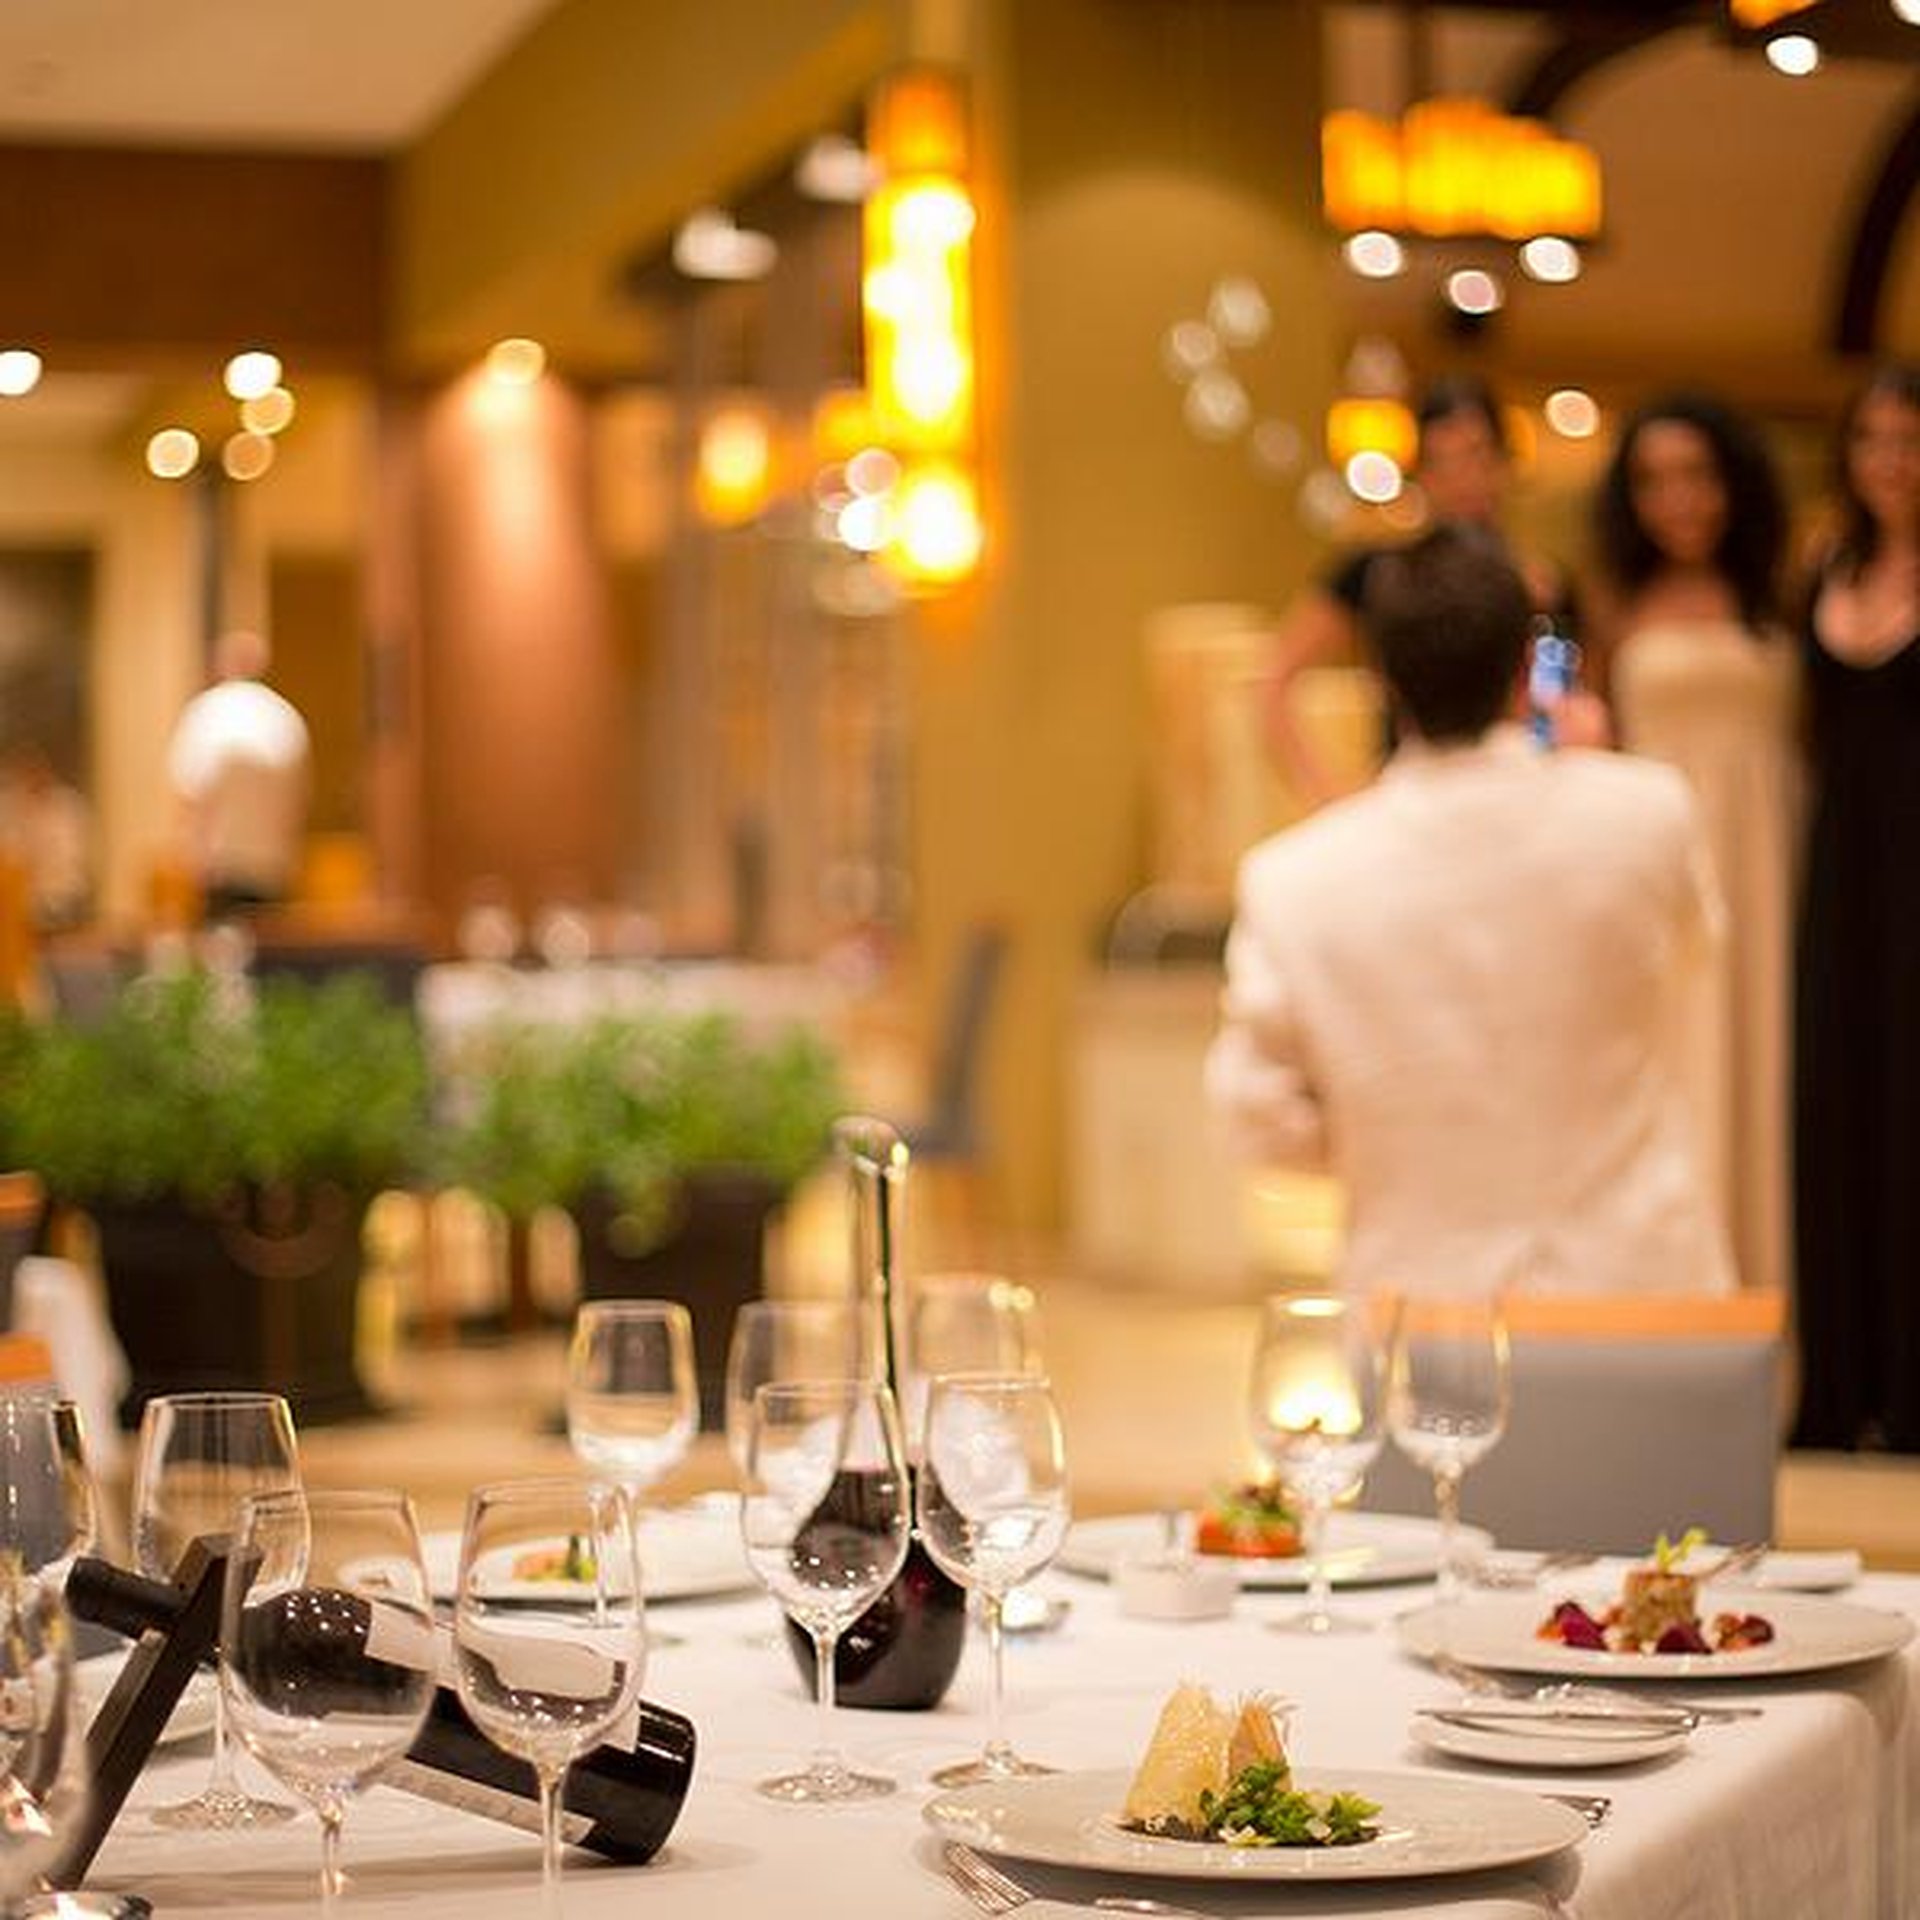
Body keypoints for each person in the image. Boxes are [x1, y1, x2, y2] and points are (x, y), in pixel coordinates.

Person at [1206, 523, 1731, 1300]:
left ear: (1380, 680)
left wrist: (1389, 1139)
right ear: (1526, 666)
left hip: (1419, 1314)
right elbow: (1692, 961)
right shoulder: (1649, 810)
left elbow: (1257, 1117)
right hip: (1646, 1292)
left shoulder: (1293, 878)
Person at [1589, 393, 1796, 1300]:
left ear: (1734, 482)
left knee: (1767, 1074)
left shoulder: (1785, 596)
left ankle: (1775, 1310)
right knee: (1677, 1074)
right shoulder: (1612, 610)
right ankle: (1677, 1316)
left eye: (1696, 475)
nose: (1676, 499)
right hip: (1658, 870)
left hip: (1772, 863)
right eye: (1653, 481)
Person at [1792, 361, 1920, 1451]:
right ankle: (1842, 1384)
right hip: (1839, 867)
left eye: (1911, 439)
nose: (1892, 461)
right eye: (1873, 438)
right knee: (1840, 1102)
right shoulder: (1824, 571)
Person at [1263, 374, 1580, 804]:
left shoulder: (1543, 584)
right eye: (1441, 462)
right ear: (1422, 472)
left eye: (1475, 455)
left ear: (1504, 462)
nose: (1462, 478)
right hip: (1413, 794)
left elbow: (1569, 702)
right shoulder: (1381, 572)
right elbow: (1276, 679)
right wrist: (1328, 795)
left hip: (1526, 794)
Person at [166, 629, 311, 919]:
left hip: (221, 865)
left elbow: (191, 792)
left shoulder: (207, 712)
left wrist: (190, 854)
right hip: (273, 865)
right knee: (269, 942)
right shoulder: (283, 715)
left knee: (224, 943)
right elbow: (298, 798)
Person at [0, 745, 92, 931]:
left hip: (62, 898)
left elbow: (69, 859)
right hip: (22, 903)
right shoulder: (12, 807)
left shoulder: (67, 807)